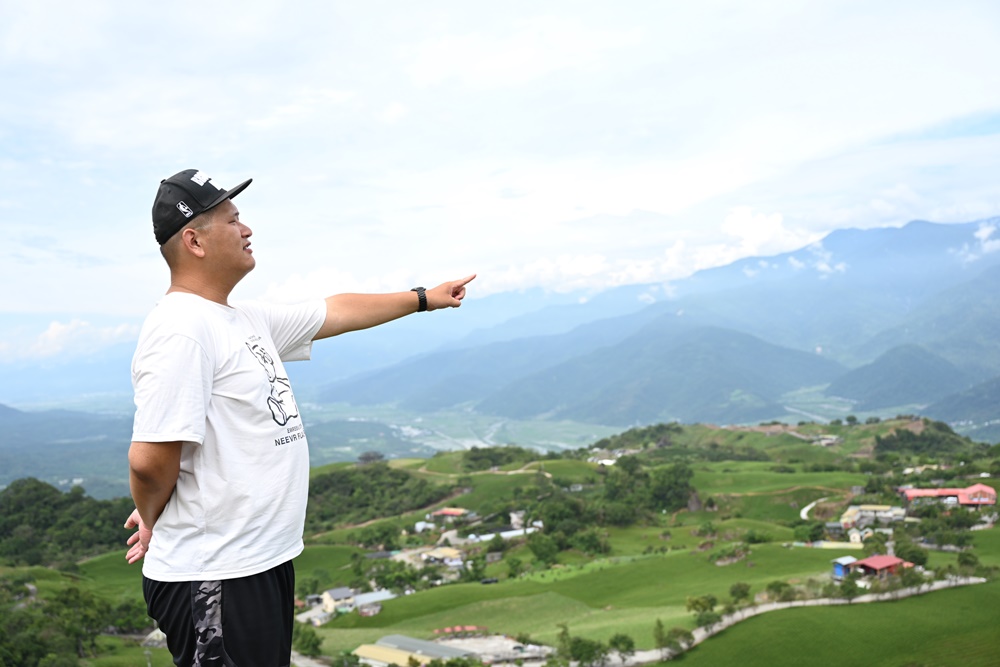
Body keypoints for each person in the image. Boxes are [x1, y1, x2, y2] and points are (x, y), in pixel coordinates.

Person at [123, 168, 474, 666]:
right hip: (216, 572)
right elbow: (149, 460)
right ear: (194, 240)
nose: (247, 230)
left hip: (256, 563)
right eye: (233, 219)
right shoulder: (182, 329)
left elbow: (334, 311)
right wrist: (153, 513)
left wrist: (423, 299)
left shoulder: (242, 318)